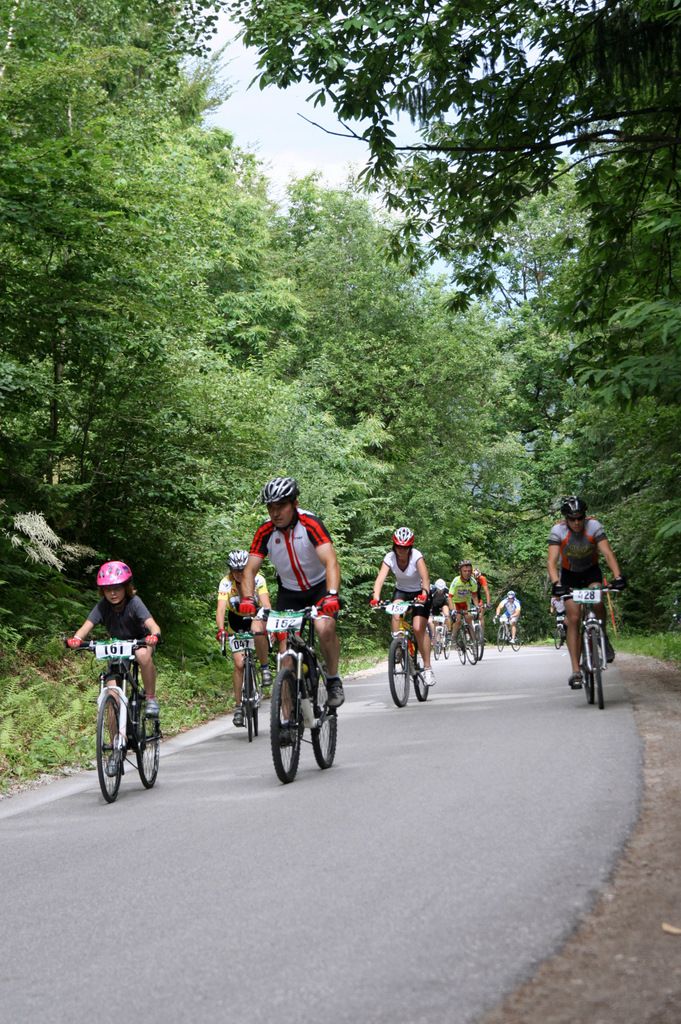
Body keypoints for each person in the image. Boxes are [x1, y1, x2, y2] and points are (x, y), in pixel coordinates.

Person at [240, 477, 345, 708]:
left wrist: (332, 594)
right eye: (270, 507)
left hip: (319, 588)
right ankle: (286, 722)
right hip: (289, 592)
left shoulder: (310, 524)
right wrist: (248, 599)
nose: (275, 513)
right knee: (286, 659)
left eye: (281, 506)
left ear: (294, 504)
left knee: (323, 627)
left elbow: (331, 562)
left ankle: (333, 679)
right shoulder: (265, 532)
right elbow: (249, 570)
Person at [547, 495, 627, 689]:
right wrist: (557, 583)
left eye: (580, 518)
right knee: (573, 618)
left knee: (598, 600)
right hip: (570, 575)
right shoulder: (558, 530)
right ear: (566, 519)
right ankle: (576, 671)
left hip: (591, 572)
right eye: (572, 519)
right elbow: (552, 561)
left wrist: (618, 577)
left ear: (585, 516)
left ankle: (603, 637)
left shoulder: (594, 527)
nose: (576, 522)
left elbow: (607, 553)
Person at [65, 560, 161, 716]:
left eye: (116, 588)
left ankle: (150, 698)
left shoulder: (135, 603)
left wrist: (154, 636)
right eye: (108, 590)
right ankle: (116, 738)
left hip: (141, 640)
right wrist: (76, 639)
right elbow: (86, 627)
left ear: (126, 587)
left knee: (143, 655)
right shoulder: (103, 605)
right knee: (111, 694)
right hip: (118, 645)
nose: (112, 593)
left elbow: (153, 625)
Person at [370, 527, 436, 686]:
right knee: (395, 611)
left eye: (405, 547)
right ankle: (398, 645)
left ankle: (427, 668)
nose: (402, 550)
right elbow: (379, 580)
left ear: (410, 547)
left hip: (419, 593)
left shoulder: (417, 557)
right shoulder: (390, 557)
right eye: (399, 546)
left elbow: (425, 578)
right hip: (401, 591)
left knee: (418, 628)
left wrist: (425, 593)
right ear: (394, 545)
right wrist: (376, 598)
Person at [216, 550, 272, 728]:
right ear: (230, 570)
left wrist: (265, 624)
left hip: (255, 617)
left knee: (259, 632)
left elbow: (266, 604)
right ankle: (238, 707)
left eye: (242, 570)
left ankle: (264, 668)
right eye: (235, 570)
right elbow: (221, 609)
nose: (239, 574)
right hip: (236, 621)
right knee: (239, 664)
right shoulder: (226, 583)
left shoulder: (258, 579)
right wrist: (221, 629)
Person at [448, 560, 480, 648]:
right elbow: (449, 597)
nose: (467, 573)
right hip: (455, 602)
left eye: (469, 571)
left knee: (469, 619)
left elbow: (474, 596)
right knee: (458, 620)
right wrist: (452, 610)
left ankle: (474, 642)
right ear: (461, 572)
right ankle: (453, 638)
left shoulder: (473, 582)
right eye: (465, 571)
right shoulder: (456, 581)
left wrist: (477, 607)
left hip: (465, 602)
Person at [473, 567, 491, 633]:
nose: (477, 578)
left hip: (478, 599)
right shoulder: (468, 579)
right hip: (468, 598)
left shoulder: (482, 578)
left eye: (477, 577)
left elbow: (486, 591)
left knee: (480, 616)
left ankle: (482, 634)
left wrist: (488, 603)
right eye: (475, 577)